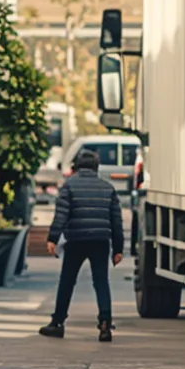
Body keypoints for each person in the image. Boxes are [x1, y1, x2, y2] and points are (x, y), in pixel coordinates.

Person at [39, 146, 125, 342]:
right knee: (101, 282)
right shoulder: (108, 188)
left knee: (67, 282)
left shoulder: (69, 186)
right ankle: (105, 324)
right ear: (97, 167)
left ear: (76, 167)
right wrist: (118, 249)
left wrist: (53, 238)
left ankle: (57, 323)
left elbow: (61, 215)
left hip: (76, 240)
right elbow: (116, 221)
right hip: (100, 242)